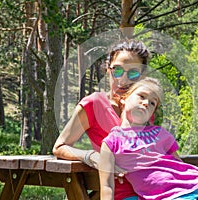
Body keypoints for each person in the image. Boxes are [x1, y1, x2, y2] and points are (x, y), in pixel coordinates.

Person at [99, 77, 198, 200]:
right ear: (124, 99)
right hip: (165, 194)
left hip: (196, 181)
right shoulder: (112, 142)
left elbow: (177, 161)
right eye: (142, 96)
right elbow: (107, 186)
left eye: (152, 103)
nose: (146, 103)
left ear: (152, 113)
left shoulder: (159, 133)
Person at [53, 39, 151, 200]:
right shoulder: (94, 104)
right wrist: (92, 156)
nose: (123, 80)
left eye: (133, 72)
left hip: (154, 191)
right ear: (108, 69)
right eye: (117, 70)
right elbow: (60, 146)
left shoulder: (145, 105)